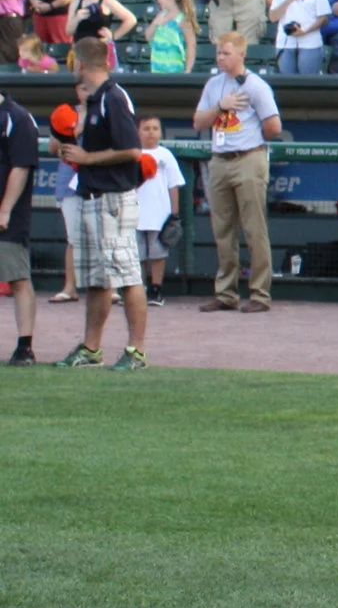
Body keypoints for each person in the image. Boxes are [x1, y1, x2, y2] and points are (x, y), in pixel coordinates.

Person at [52, 38, 150, 369]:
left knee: (127, 274)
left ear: (79, 64)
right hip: (90, 195)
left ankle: (136, 350)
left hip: (114, 199)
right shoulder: (94, 101)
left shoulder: (113, 97)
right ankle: (91, 347)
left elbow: (133, 150)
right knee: (96, 279)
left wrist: (87, 158)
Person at [188, 32, 283, 313]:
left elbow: (274, 126)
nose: (220, 57)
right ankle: (226, 293)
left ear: (242, 55)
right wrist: (220, 106)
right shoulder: (214, 85)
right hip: (219, 158)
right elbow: (197, 122)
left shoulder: (256, 86)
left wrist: (252, 142)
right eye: (218, 53)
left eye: (226, 53)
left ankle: (259, 294)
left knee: (254, 229)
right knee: (223, 230)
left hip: (248, 157)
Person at [128, 116, 183, 308]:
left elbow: (174, 184)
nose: (151, 132)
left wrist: (174, 213)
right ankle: (139, 288)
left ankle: (156, 288)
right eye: (146, 128)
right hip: (134, 213)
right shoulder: (131, 153)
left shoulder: (165, 155)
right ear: (137, 131)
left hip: (160, 214)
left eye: (155, 128)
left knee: (158, 254)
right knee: (137, 254)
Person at [0, 83, 37, 365]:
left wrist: (5, 209)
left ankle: (25, 346)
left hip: (8, 213)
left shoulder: (17, 117)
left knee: (17, 277)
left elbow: (21, 166)